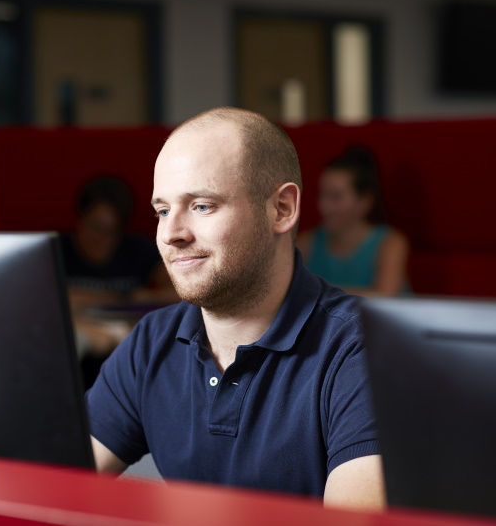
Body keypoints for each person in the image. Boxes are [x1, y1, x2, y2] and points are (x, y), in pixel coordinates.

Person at [86, 107, 385, 509]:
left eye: (202, 206)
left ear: (281, 209)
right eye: (162, 210)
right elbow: (51, 483)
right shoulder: (151, 341)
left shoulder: (360, 348)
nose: (171, 234)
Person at [61, 176, 175, 385]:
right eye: (94, 227)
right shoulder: (58, 250)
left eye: (110, 232)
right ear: (80, 219)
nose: (100, 238)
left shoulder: (137, 250)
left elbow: (178, 292)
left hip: (123, 361)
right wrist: (121, 299)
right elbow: (51, 299)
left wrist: (143, 297)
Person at [296, 147, 409, 297]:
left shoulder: (390, 243)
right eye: (322, 194)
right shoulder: (306, 243)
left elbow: (385, 298)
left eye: (335, 197)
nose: (324, 206)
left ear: (365, 202)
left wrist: (313, 294)